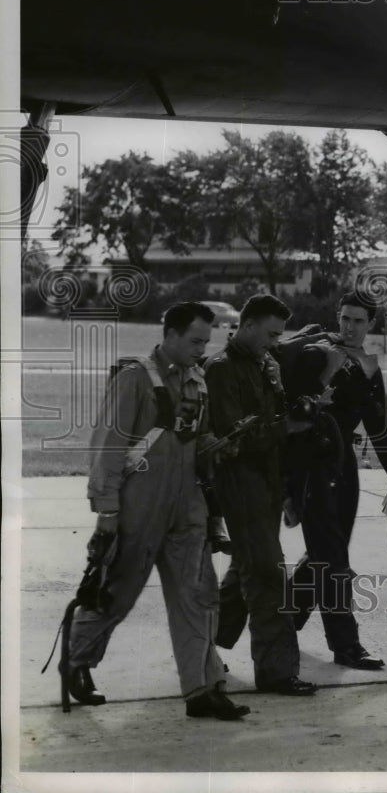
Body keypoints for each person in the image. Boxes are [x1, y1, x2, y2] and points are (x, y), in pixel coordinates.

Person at [66, 301, 250, 720]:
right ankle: (74, 661)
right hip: (138, 506)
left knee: (199, 597)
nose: (201, 349)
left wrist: (221, 445)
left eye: (206, 341)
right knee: (116, 594)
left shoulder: (198, 381)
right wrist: (108, 512)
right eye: (194, 341)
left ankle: (202, 688)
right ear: (169, 334)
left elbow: (195, 439)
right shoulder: (135, 378)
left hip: (186, 506)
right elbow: (108, 448)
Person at [285, 290, 387, 670]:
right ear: (337, 317)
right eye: (345, 318)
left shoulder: (368, 367)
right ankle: (346, 645)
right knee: (334, 559)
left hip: (343, 467)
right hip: (309, 465)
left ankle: (283, 624)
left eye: (358, 321)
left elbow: (380, 425)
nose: (350, 327)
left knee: (326, 554)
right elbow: (290, 403)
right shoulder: (315, 352)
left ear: (370, 324)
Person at [203, 294, 316, 696]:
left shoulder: (262, 364)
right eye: (269, 333)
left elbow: (270, 426)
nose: (274, 342)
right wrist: (289, 426)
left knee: (244, 571)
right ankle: (277, 673)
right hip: (239, 482)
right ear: (247, 325)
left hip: (265, 482)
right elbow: (236, 438)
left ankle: (201, 646)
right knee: (268, 575)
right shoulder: (220, 370)